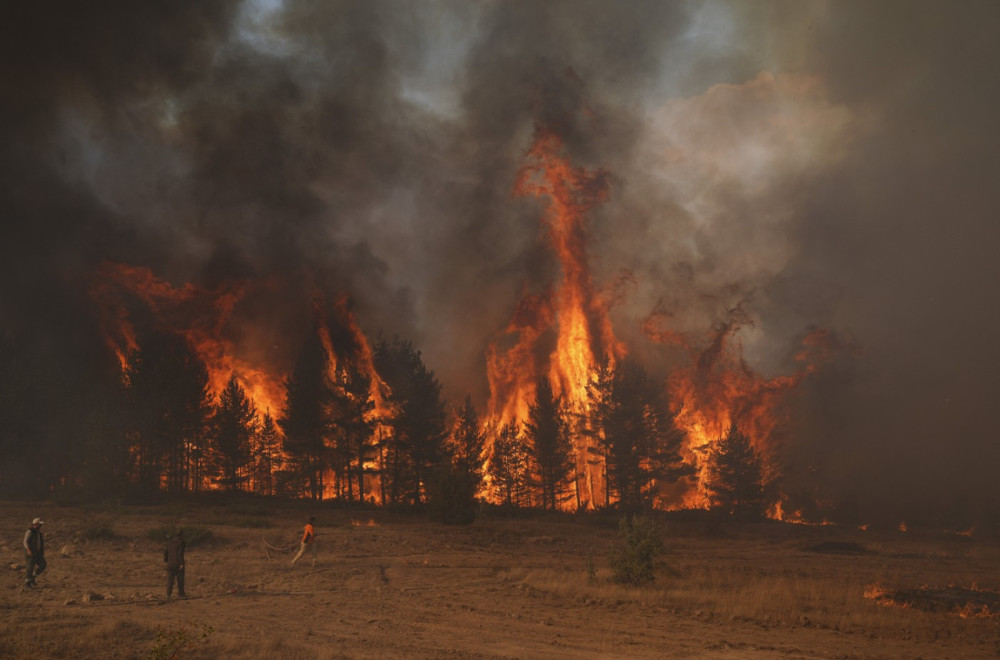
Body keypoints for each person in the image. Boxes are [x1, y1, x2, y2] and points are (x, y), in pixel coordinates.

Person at [23, 517, 46, 588]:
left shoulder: (39, 533)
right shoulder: (30, 531)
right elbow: (25, 541)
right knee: (30, 567)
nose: (40, 526)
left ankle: (33, 577)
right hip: (31, 552)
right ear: (35, 524)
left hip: (37, 553)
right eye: (39, 524)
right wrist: (29, 550)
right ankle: (27, 583)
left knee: (43, 564)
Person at [163, 530, 186, 598]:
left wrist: (167, 560)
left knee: (170, 580)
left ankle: (168, 594)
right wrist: (182, 563)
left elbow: (165, 553)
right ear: (181, 535)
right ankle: (181, 593)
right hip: (178, 563)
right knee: (180, 579)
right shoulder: (181, 543)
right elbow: (180, 554)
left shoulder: (169, 542)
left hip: (170, 564)